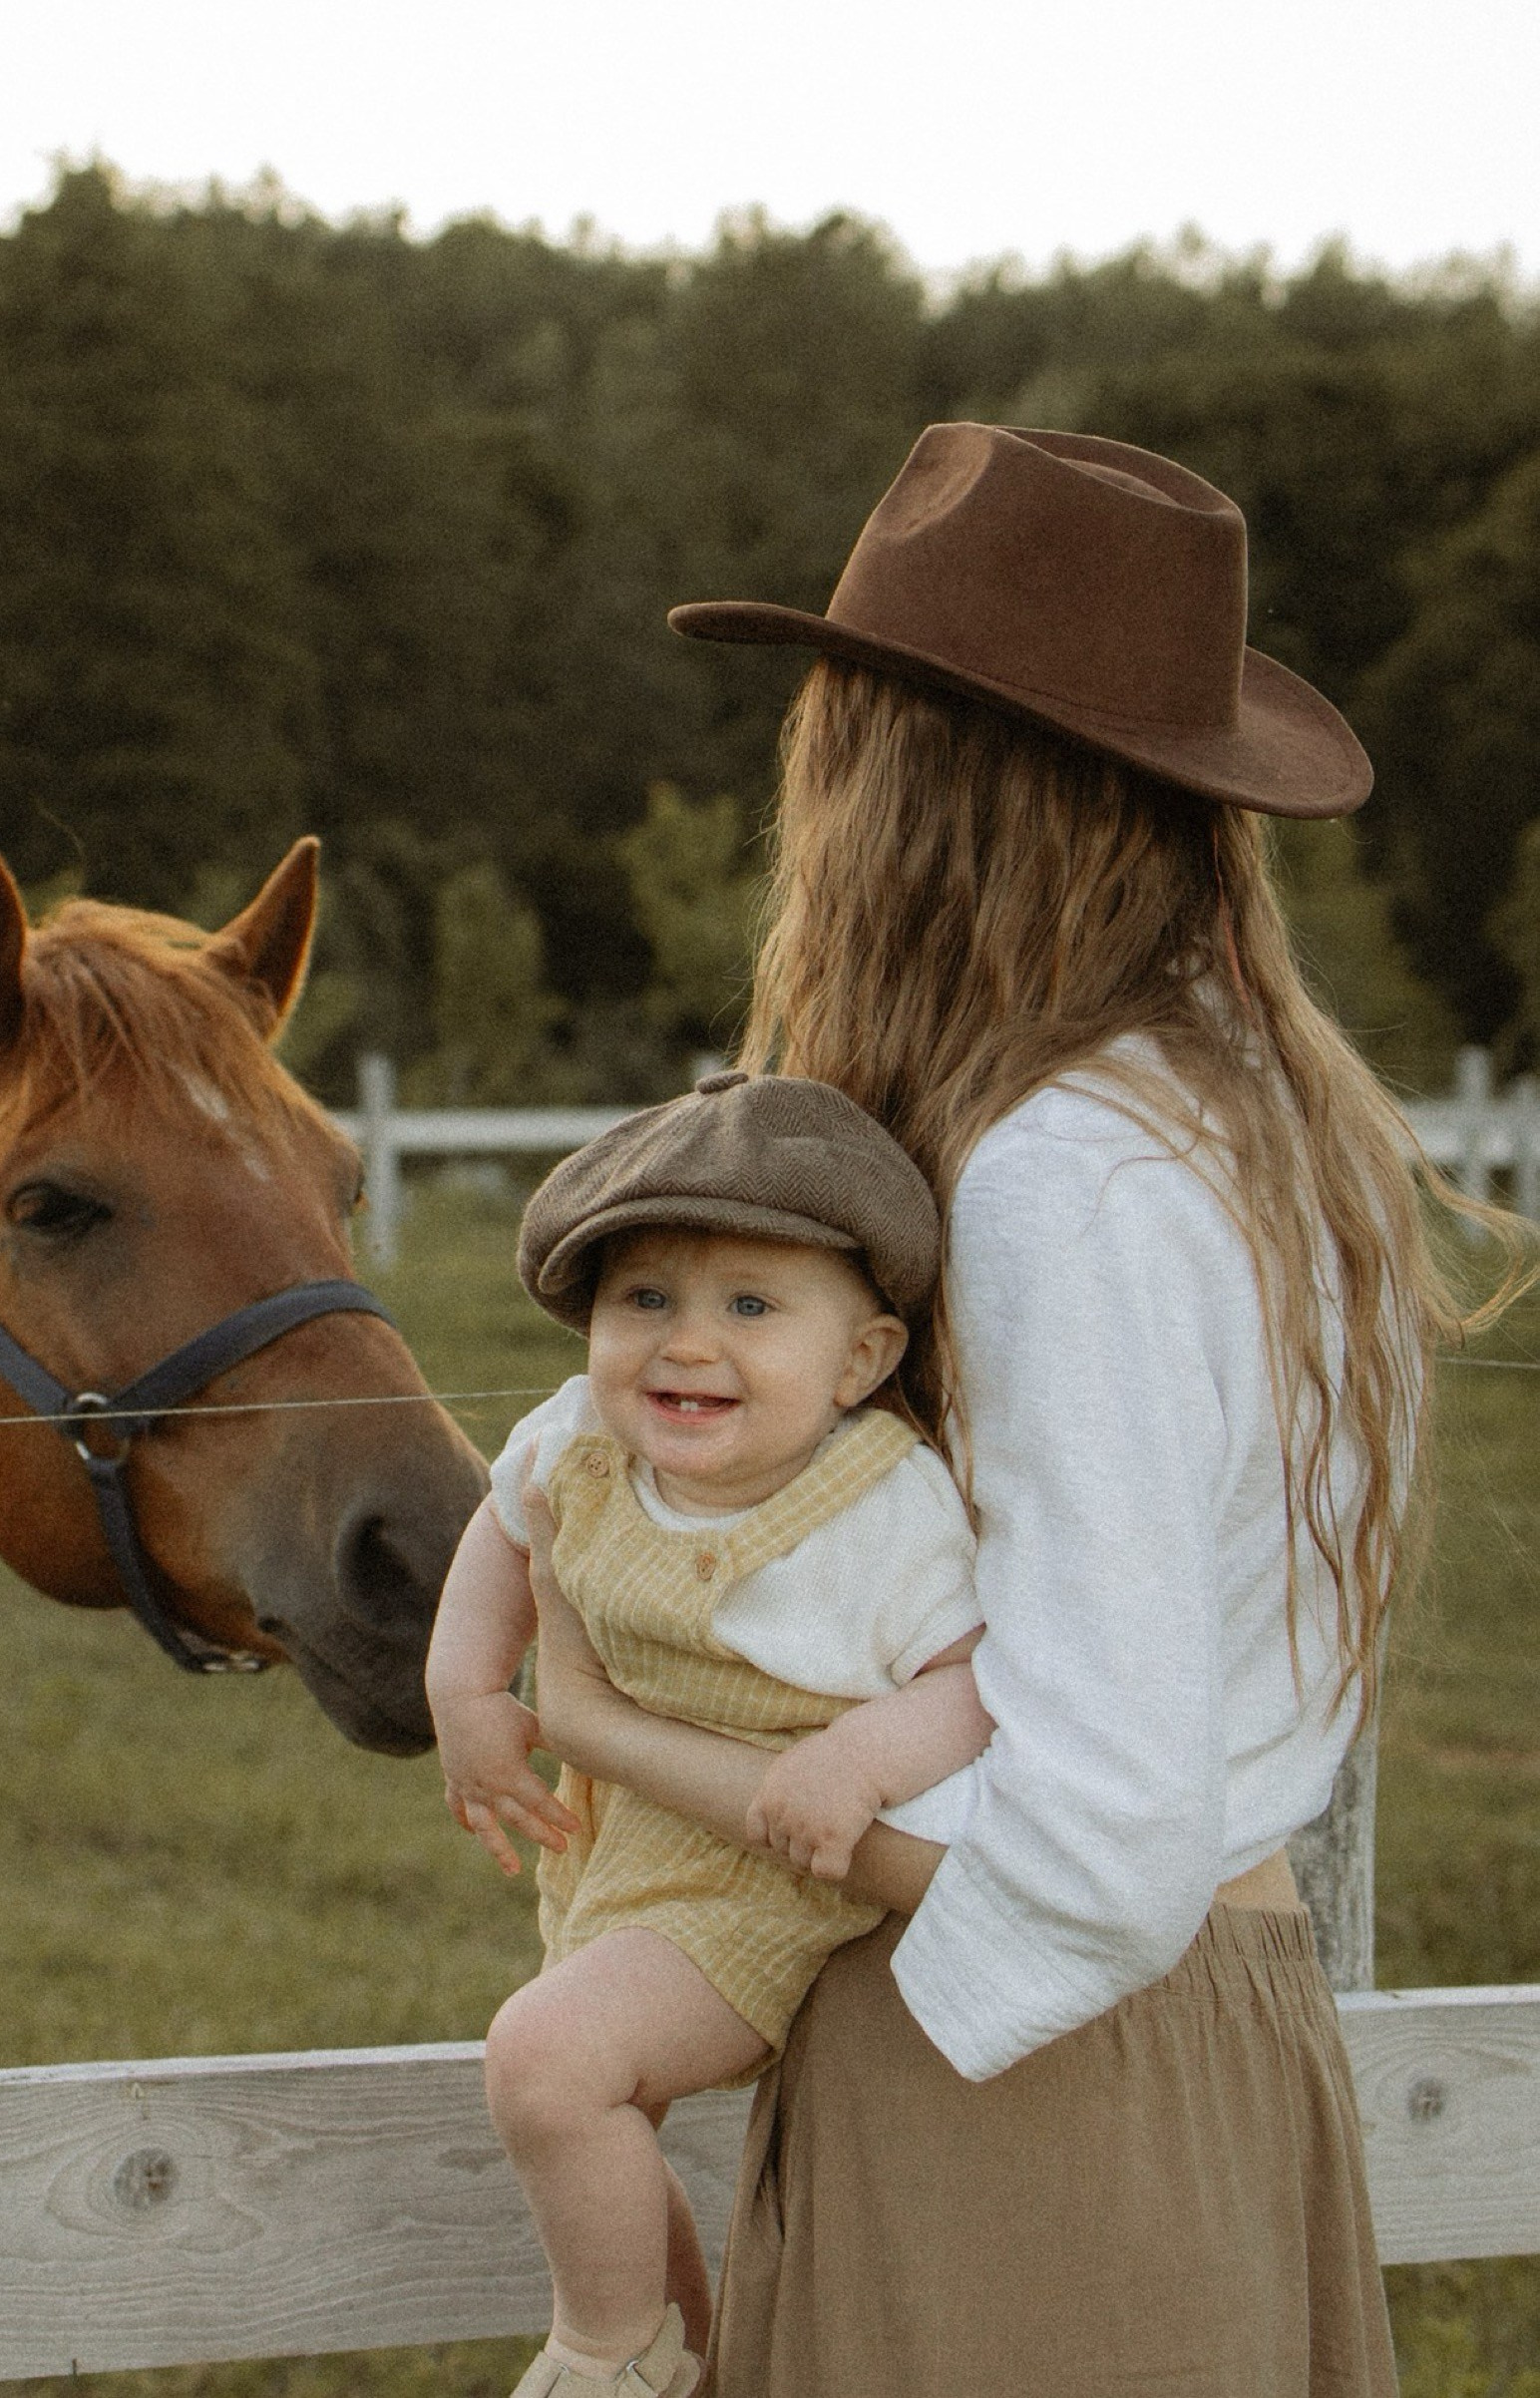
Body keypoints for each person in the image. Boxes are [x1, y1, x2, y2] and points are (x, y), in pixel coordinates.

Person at [505, 420, 1523, 2398]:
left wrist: (626, 1734)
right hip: (1199, 2031)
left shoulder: (1065, 1178)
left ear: (917, 783)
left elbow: (1096, 1837)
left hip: (1036, 2074)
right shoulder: (1247, 1116)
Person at [427, 1073, 991, 2398]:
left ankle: (608, 2348)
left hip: (779, 1866)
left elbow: (975, 1679)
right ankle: (690, 2351)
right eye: (645, 1301)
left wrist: (862, 1762)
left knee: (550, 2062)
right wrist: (465, 1693)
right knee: (600, 2104)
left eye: (750, 1305)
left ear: (861, 1359)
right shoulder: (577, 1438)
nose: (686, 1344)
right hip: (625, 1844)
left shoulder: (884, 1513)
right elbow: (501, 1535)